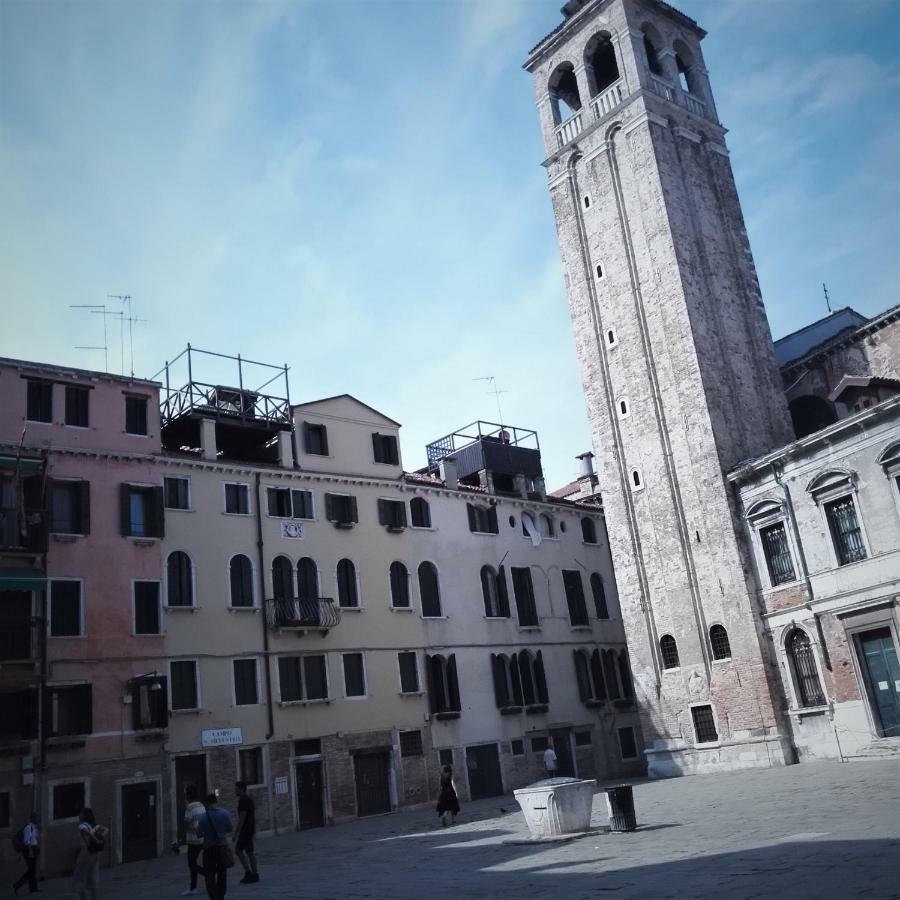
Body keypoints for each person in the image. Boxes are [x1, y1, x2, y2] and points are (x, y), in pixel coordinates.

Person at [196, 793, 232, 900]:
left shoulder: (202, 818)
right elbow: (230, 828)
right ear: (216, 801)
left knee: (209, 874)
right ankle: (221, 895)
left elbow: (199, 834)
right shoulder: (225, 813)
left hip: (209, 848)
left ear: (206, 803)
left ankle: (213, 896)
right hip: (222, 847)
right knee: (222, 873)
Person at [72, 808, 106, 900]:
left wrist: (93, 839)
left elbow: (86, 837)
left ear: (84, 815)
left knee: (79, 877)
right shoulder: (95, 825)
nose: (79, 815)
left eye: (81, 814)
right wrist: (99, 838)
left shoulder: (82, 825)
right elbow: (106, 830)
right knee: (93, 875)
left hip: (86, 853)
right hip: (95, 854)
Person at [182, 784, 206, 896]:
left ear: (188, 794)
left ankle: (194, 887)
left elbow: (187, 824)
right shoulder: (201, 805)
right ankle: (195, 885)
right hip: (201, 838)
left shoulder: (189, 807)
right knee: (196, 863)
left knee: (192, 864)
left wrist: (181, 838)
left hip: (192, 840)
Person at [234, 782, 259, 884]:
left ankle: (250, 873)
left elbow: (242, 818)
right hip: (250, 829)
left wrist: (236, 833)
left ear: (242, 789)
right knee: (249, 852)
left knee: (239, 850)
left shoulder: (243, 801)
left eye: (236, 789)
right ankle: (253, 874)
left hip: (246, 830)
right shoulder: (248, 799)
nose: (235, 791)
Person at [11, 812, 39, 896]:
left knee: (32, 870)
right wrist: (30, 851)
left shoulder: (34, 828)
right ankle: (17, 885)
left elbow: (34, 840)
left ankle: (33, 888)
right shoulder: (28, 828)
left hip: (33, 850)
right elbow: (27, 841)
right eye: (36, 818)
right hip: (28, 851)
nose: (38, 820)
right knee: (31, 871)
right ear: (33, 818)